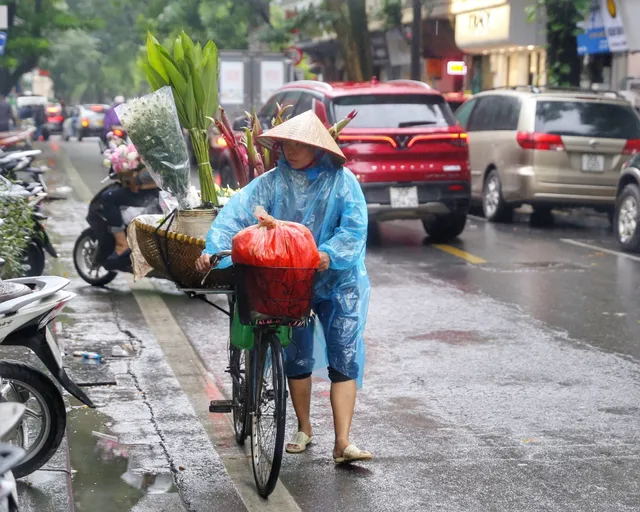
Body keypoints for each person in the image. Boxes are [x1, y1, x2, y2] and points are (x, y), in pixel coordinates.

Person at [195, 111, 372, 464]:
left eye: (298, 144)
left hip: (337, 281)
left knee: (344, 357)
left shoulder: (343, 181)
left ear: (316, 147)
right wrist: (213, 249)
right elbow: (235, 215)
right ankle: (304, 429)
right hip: (286, 279)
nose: (290, 150)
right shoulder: (272, 182)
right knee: (297, 355)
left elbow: (354, 229)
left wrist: (328, 254)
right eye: (286, 144)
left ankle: (343, 442)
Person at [100, 167, 159, 262]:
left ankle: (122, 244)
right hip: (161, 192)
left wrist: (136, 178)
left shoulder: (157, 154)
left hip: (151, 192)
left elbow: (153, 170)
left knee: (107, 197)